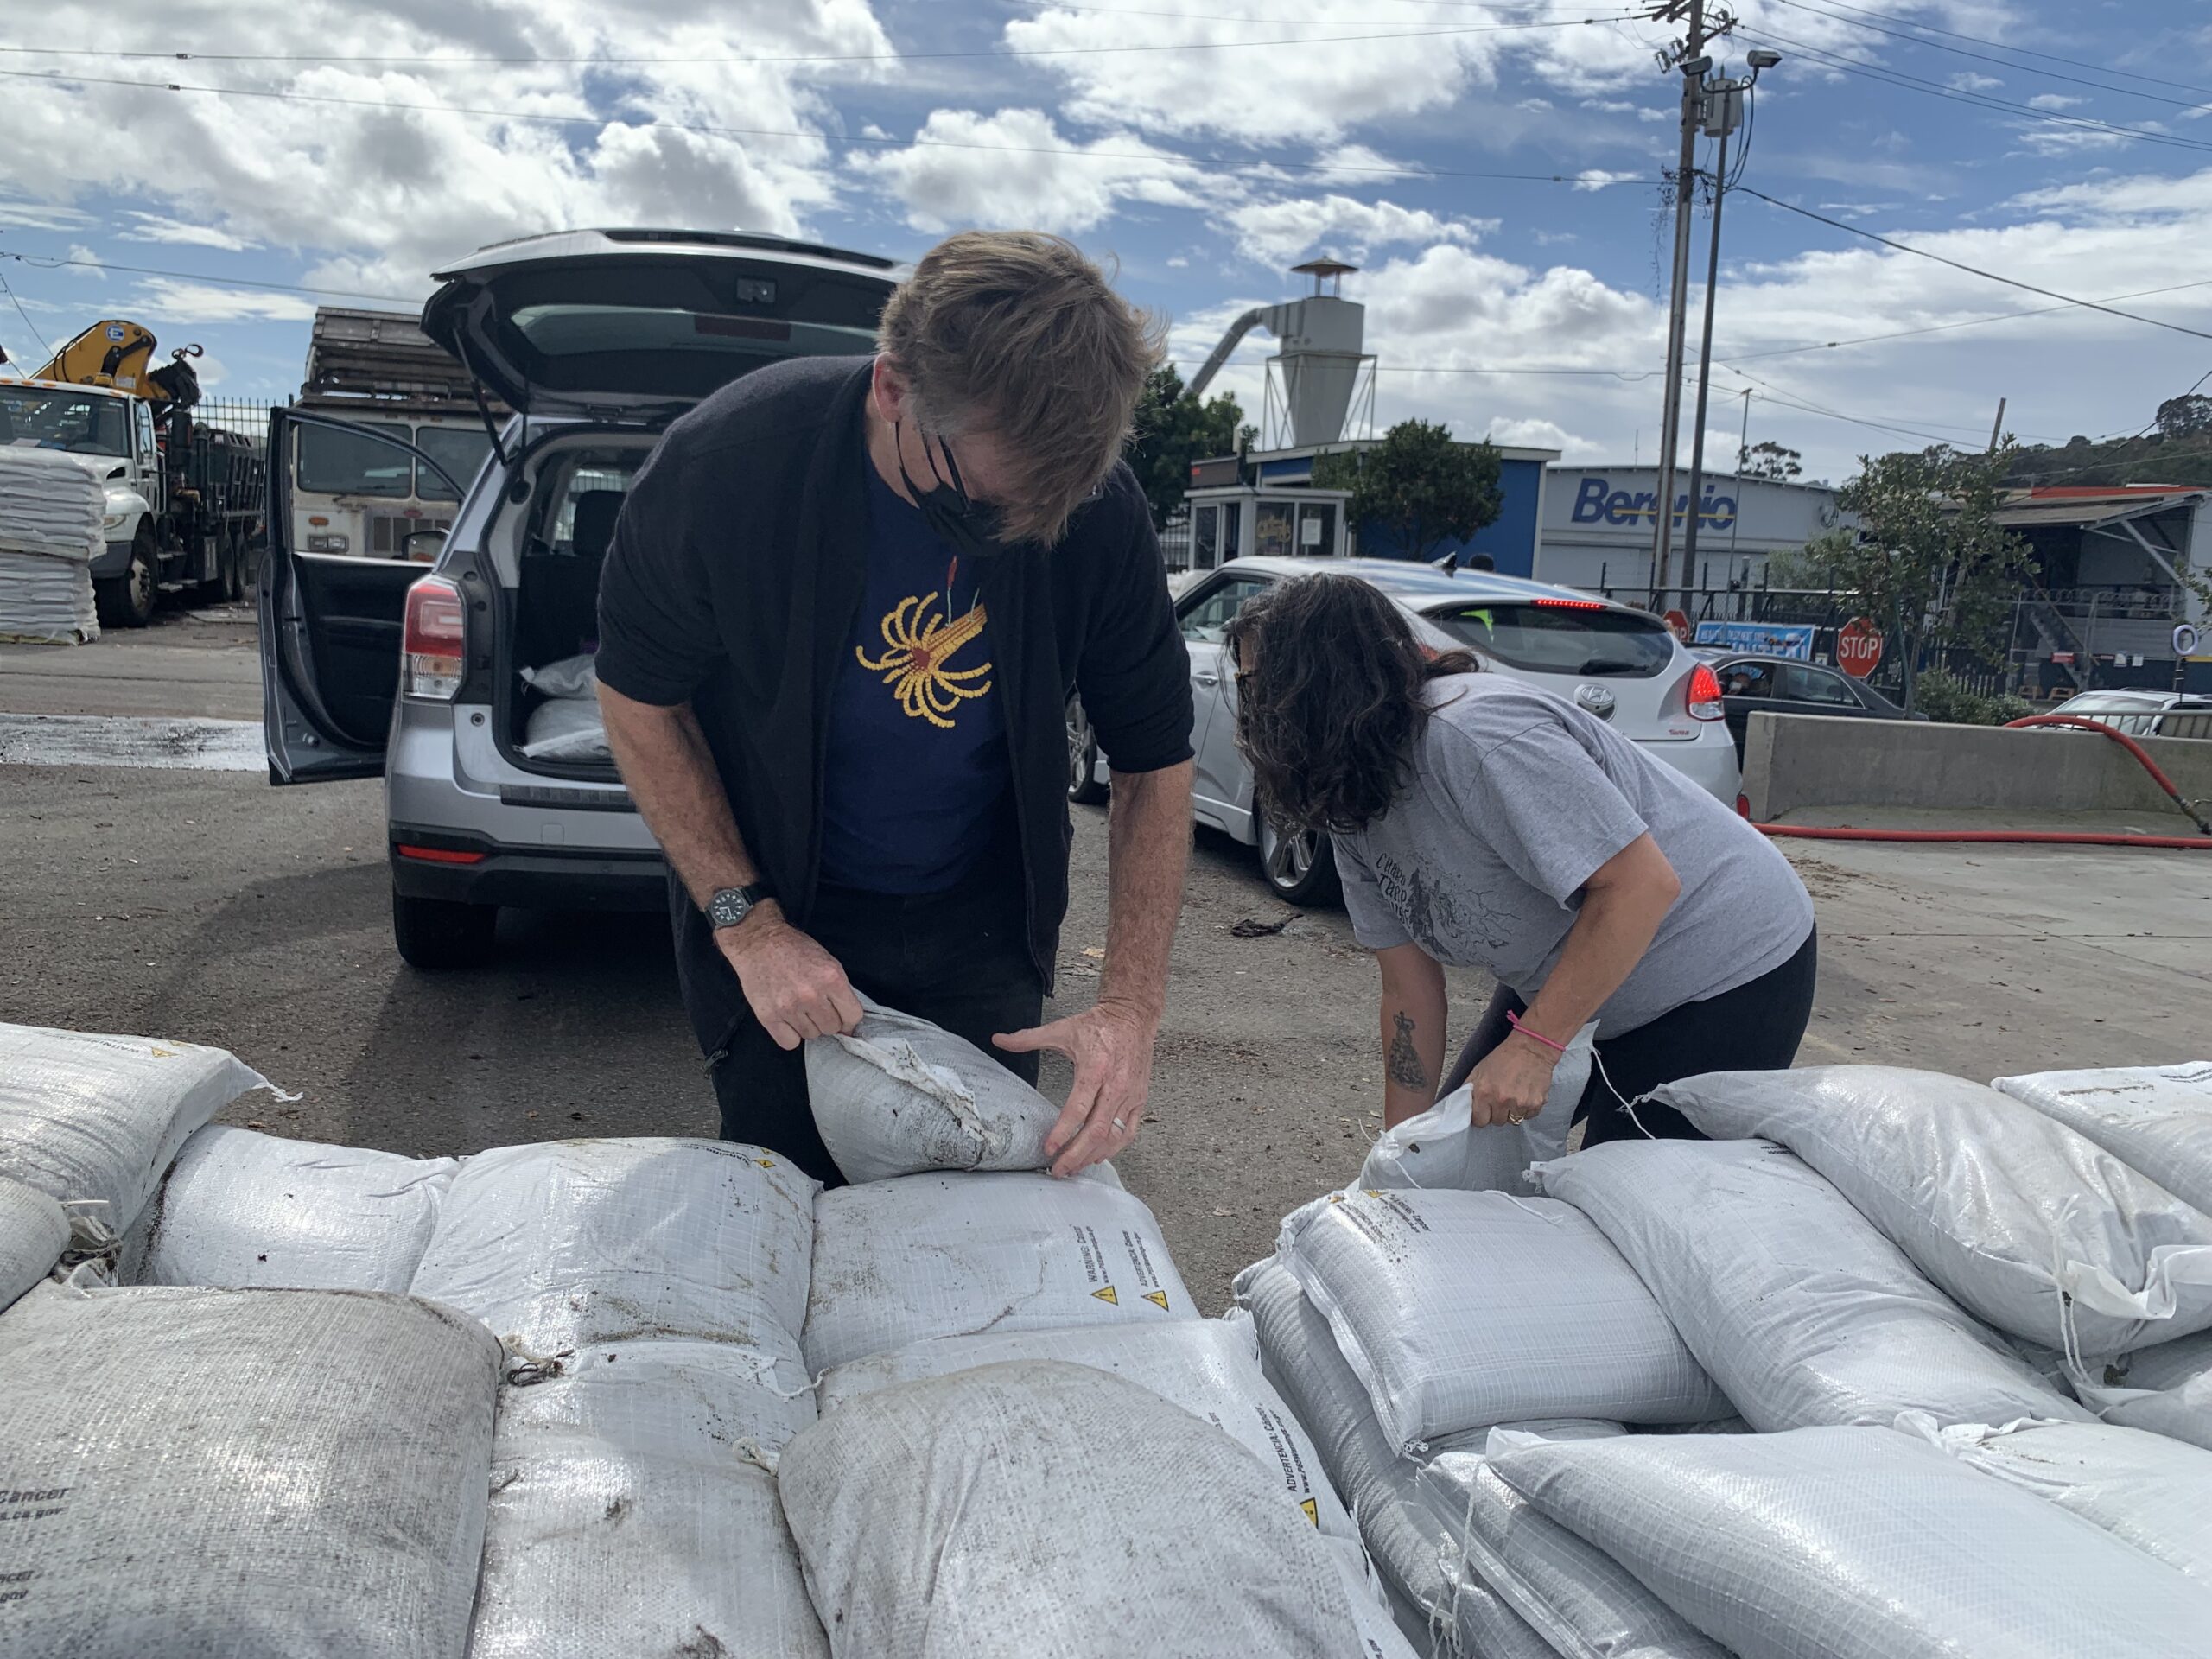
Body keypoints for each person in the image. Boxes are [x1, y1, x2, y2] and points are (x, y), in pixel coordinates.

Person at [593, 232, 1196, 1185]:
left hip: (981, 920)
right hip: (784, 897)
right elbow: (639, 703)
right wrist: (748, 927)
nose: (1012, 532)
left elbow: (1153, 761)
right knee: (781, 1188)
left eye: (1040, 509)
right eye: (984, 504)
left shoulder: (1093, 506)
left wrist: (1131, 1007)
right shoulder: (725, 470)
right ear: (893, 389)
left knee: (975, 1205)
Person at [1226, 574, 1815, 1147]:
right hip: (1571, 968)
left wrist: (1536, 1046)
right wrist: (1399, 1155)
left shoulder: (1476, 736)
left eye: (1260, 686)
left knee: (1619, 1182)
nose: (1253, 712)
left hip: (1720, 969)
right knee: (1446, 1160)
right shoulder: (1352, 796)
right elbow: (1409, 992)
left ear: (1325, 679)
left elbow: (1641, 884)